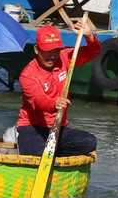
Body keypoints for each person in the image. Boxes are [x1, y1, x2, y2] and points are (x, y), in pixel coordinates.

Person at [15, 21, 100, 157]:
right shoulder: (28, 75)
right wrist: (54, 103)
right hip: (32, 127)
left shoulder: (64, 58)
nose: (52, 56)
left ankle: (55, 152)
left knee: (90, 142)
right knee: (34, 155)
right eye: (48, 51)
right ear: (37, 49)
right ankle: (50, 152)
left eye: (56, 50)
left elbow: (93, 51)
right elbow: (38, 100)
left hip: (58, 126)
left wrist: (89, 35)